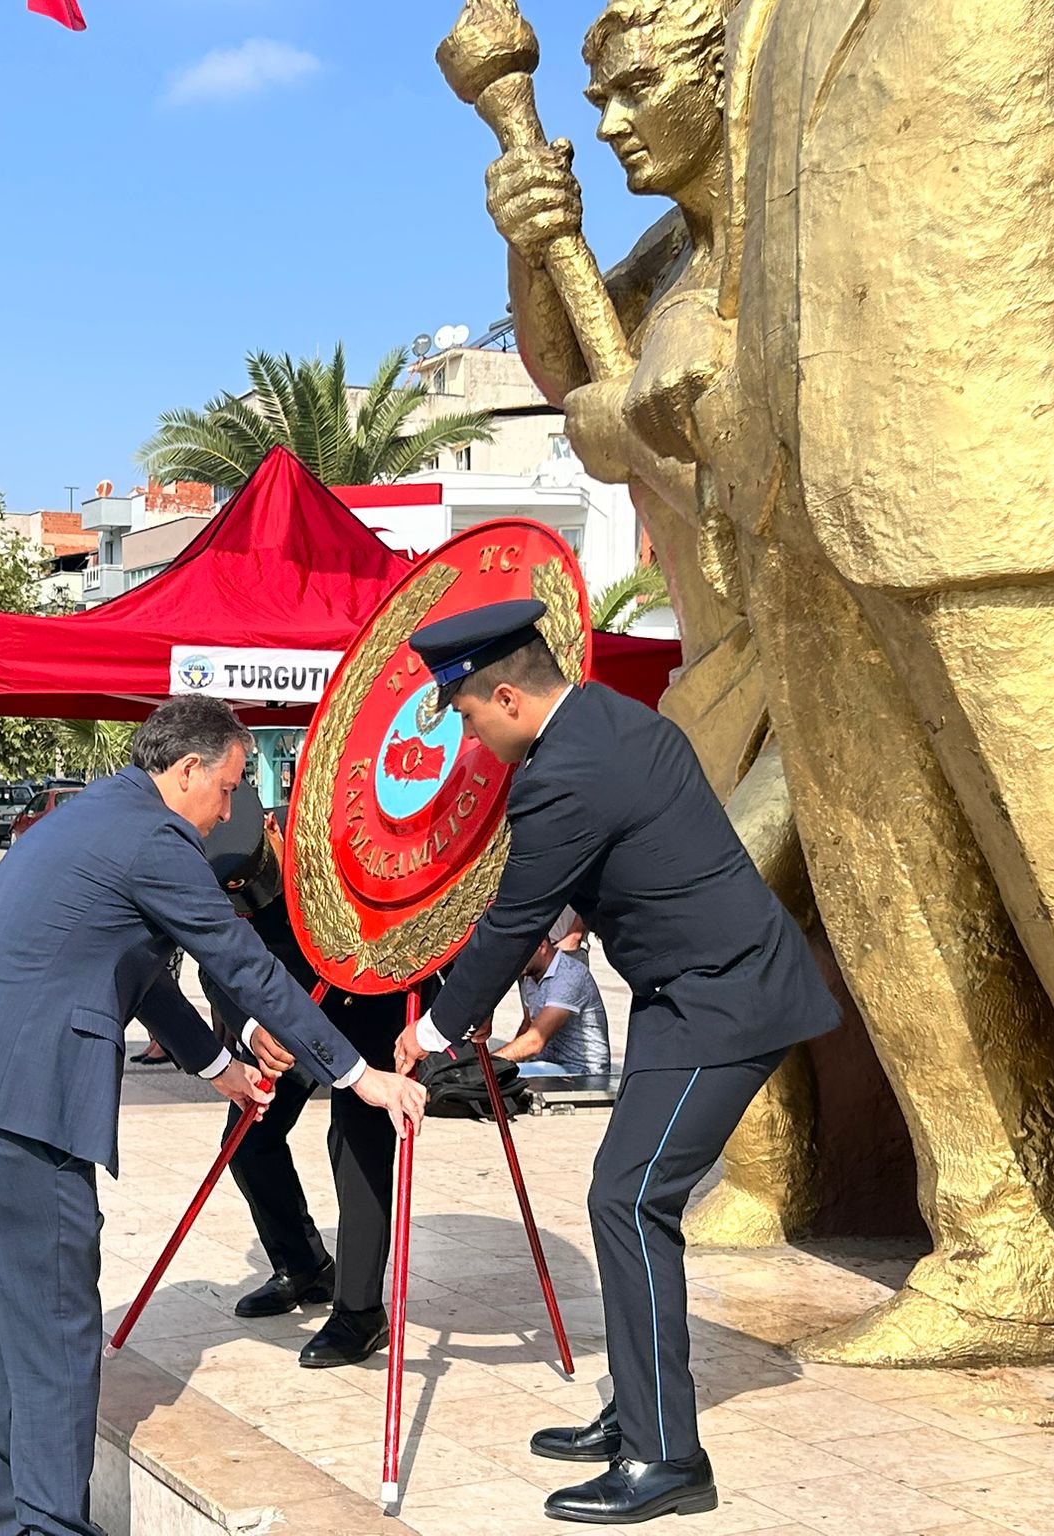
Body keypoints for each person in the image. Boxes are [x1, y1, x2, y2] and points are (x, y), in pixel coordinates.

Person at [0, 694, 428, 1536]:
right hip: (17, 1110)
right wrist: (357, 1074)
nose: (232, 809)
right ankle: (45, 1527)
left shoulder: (92, 816)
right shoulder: (155, 839)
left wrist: (221, 1064)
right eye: (226, 787)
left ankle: (3, 1522)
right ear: (186, 772)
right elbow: (243, 964)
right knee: (55, 1336)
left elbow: (139, 972)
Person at [397, 600, 840, 1525]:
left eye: (470, 717)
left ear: (509, 696)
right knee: (626, 1197)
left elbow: (519, 916)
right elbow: (613, 873)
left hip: (722, 1000)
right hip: (692, 995)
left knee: (630, 1200)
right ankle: (639, 1411)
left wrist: (437, 1030)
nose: (471, 737)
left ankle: (667, 1457)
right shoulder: (612, 719)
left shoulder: (565, 774)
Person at [206, 794, 406, 1368]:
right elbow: (215, 962)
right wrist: (249, 1028)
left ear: (273, 824)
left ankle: (360, 1313)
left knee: (355, 1144)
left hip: (365, 1007)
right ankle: (303, 1265)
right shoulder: (219, 873)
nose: (251, 890)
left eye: (256, 872)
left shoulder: (341, 842)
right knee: (246, 1139)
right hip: (288, 1021)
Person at [495, 908, 612, 1080]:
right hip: (548, 1066)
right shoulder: (530, 976)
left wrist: (493, 1063)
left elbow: (535, 1041)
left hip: (581, 1073)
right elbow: (528, 1026)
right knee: (501, 1077)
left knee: (501, 1078)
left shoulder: (569, 975)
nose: (515, 962)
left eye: (520, 955)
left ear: (542, 947)